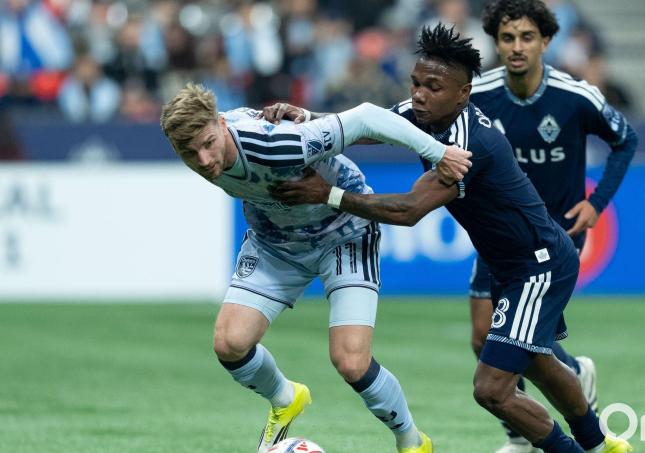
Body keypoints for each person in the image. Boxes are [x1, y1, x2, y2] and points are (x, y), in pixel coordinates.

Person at [269, 24, 633, 453]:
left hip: (539, 264)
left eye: (433, 87)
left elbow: (407, 210)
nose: (420, 94)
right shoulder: (428, 113)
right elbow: (374, 125)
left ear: (463, 94)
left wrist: (327, 194)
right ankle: (601, 445)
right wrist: (310, 120)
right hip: (512, 263)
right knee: (535, 359)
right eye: (416, 83)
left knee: (491, 389)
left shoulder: (466, 146)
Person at [159, 84, 471, 453]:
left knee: (351, 362)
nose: (205, 160)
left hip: (344, 232)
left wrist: (439, 153)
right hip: (276, 242)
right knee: (230, 343)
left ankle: (412, 442)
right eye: (189, 153)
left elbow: (368, 117)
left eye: (209, 143)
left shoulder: (276, 143)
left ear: (220, 122)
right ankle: (286, 397)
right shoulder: (208, 146)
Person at [470, 2, 639, 451]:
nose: (517, 47)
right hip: (499, 235)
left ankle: (551, 428)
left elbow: (626, 139)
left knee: (521, 340)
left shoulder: (574, 95)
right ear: (496, 42)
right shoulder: (478, 93)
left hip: (554, 237)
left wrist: (596, 203)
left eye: (527, 37)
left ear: (546, 41)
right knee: (484, 337)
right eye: (508, 38)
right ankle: (543, 408)